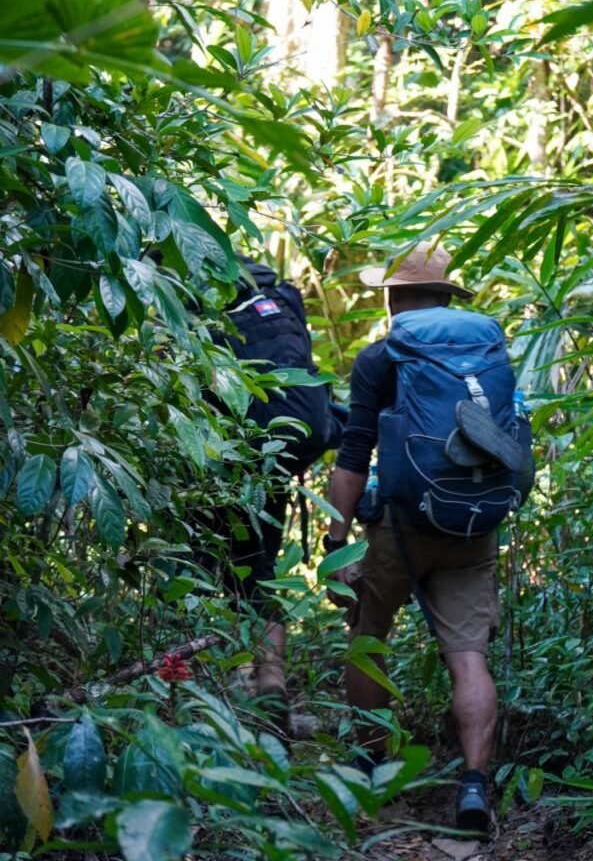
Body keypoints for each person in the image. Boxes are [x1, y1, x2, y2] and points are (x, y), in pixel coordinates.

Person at [324, 242, 500, 833]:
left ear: (394, 299)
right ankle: (474, 785)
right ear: (448, 296)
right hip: (472, 523)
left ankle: (372, 767)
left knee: (367, 634)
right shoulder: (486, 351)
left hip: (399, 527)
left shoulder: (381, 358)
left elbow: (353, 455)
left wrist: (336, 541)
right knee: (468, 656)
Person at [207, 256, 344, 708]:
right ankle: (271, 682)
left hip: (222, 454)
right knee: (260, 569)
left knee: (201, 568)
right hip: (277, 456)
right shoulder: (280, 296)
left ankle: (211, 688)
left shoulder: (200, 301)